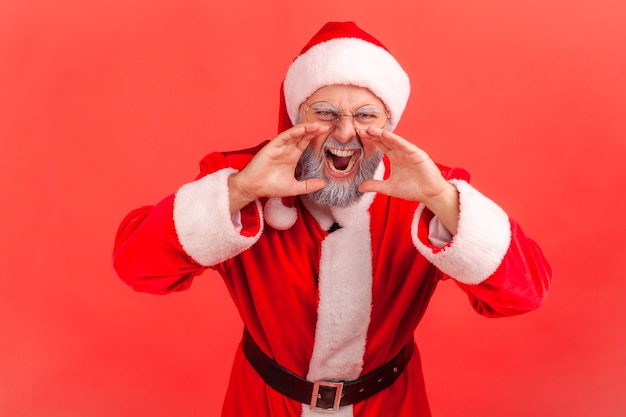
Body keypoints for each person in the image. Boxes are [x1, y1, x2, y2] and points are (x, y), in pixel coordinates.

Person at [113, 21, 552, 417]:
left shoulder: (428, 187)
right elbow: (138, 268)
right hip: (263, 403)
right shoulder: (240, 179)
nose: (344, 133)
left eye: (365, 116)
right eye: (324, 113)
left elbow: (523, 295)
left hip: (390, 406)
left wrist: (442, 199)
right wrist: (241, 190)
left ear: (389, 124)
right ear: (295, 116)